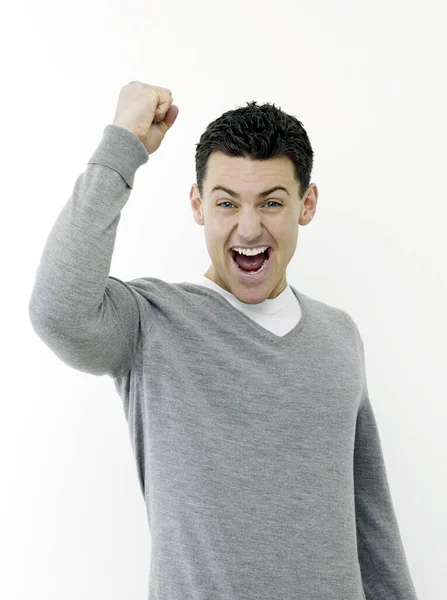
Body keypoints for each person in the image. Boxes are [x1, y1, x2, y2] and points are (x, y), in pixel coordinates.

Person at [28, 81, 419, 599]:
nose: (249, 228)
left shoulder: (339, 336)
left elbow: (371, 521)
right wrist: (121, 145)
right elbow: (58, 312)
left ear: (307, 205)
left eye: (272, 203)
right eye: (227, 203)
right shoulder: (151, 325)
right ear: (198, 205)